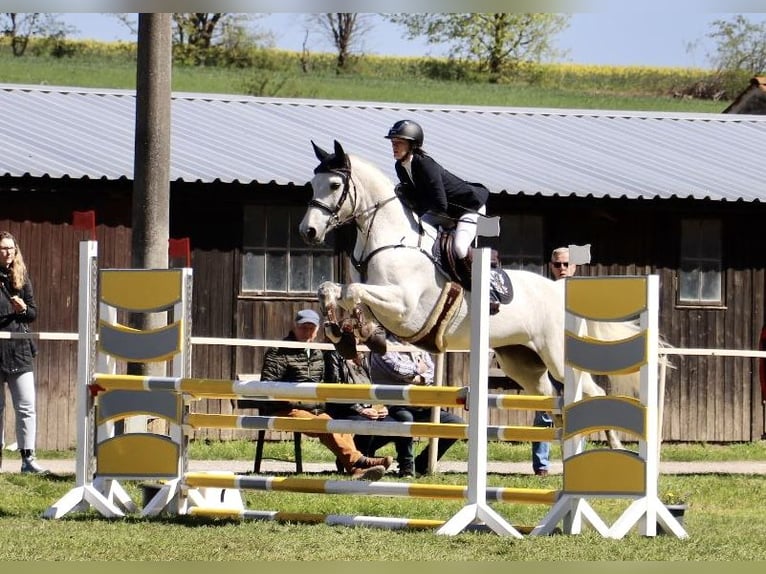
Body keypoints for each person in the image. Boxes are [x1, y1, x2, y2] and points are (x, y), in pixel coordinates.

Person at [258, 308, 393, 481]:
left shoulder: (317, 351)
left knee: (337, 425)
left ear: (317, 330)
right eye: (303, 327)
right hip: (286, 408)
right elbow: (268, 385)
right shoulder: (279, 350)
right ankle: (361, 462)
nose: (307, 332)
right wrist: (294, 398)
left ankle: (357, 470)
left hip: (316, 409)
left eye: (311, 328)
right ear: (295, 327)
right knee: (325, 423)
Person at [384, 119, 490, 269]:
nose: (394, 146)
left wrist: (419, 206)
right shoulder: (400, 166)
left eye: (399, 143)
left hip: (469, 207)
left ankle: (473, 281)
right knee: (413, 232)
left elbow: (440, 203)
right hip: (443, 211)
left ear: (412, 145)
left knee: (459, 247)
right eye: (393, 143)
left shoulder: (425, 164)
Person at [367, 336, 465, 477]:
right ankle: (406, 468)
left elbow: (432, 371)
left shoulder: (419, 345)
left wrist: (416, 376)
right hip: (394, 404)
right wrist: (419, 369)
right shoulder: (384, 346)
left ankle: (421, 465)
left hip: (423, 404)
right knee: (405, 419)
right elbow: (398, 369)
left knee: (456, 425)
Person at [0, 231, 46, 474]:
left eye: (10, 248)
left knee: (26, 406)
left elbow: (32, 314)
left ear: (15, 251)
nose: (6, 252)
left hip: (19, 351)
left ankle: (28, 459)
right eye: (2, 248)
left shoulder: (21, 278)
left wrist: (23, 307)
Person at [325, 352, 413, 477]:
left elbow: (375, 388)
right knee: (368, 421)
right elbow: (335, 390)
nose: (357, 339)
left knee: (402, 420)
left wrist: (383, 407)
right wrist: (360, 409)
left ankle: (406, 469)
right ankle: (361, 463)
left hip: (369, 406)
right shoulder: (334, 356)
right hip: (346, 408)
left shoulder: (365, 357)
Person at [531, 246, 577, 477]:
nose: (562, 268)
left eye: (566, 264)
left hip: (574, 358)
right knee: (545, 412)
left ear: (574, 266)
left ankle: (576, 462)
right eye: (558, 264)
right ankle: (542, 466)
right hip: (549, 356)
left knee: (576, 411)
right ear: (551, 266)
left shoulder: (581, 292)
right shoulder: (544, 292)